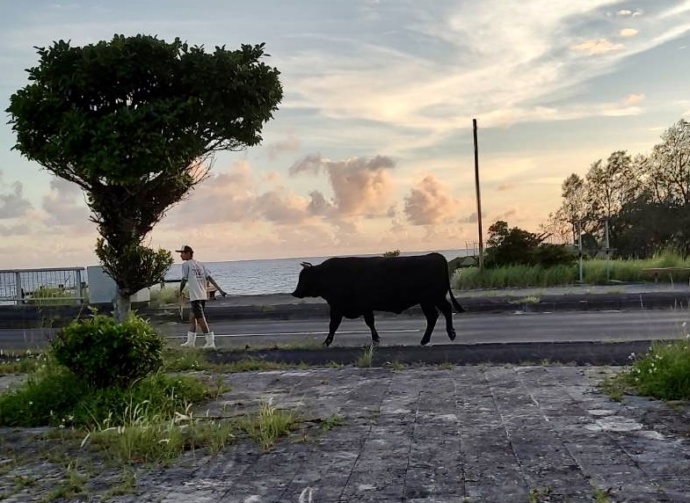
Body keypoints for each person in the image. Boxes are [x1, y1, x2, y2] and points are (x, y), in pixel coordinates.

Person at [176, 245, 227, 349]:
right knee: (192, 317)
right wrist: (220, 290)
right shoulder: (200, 264)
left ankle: (210, 342)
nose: (181, 255)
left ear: (188, 253)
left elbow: (184, 279)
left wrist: (180, 291)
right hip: (203, 295)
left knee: (200, 319)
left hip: (196, 296)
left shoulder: (186, 265)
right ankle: (190, 342)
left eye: (182, 253)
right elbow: (209, 278)